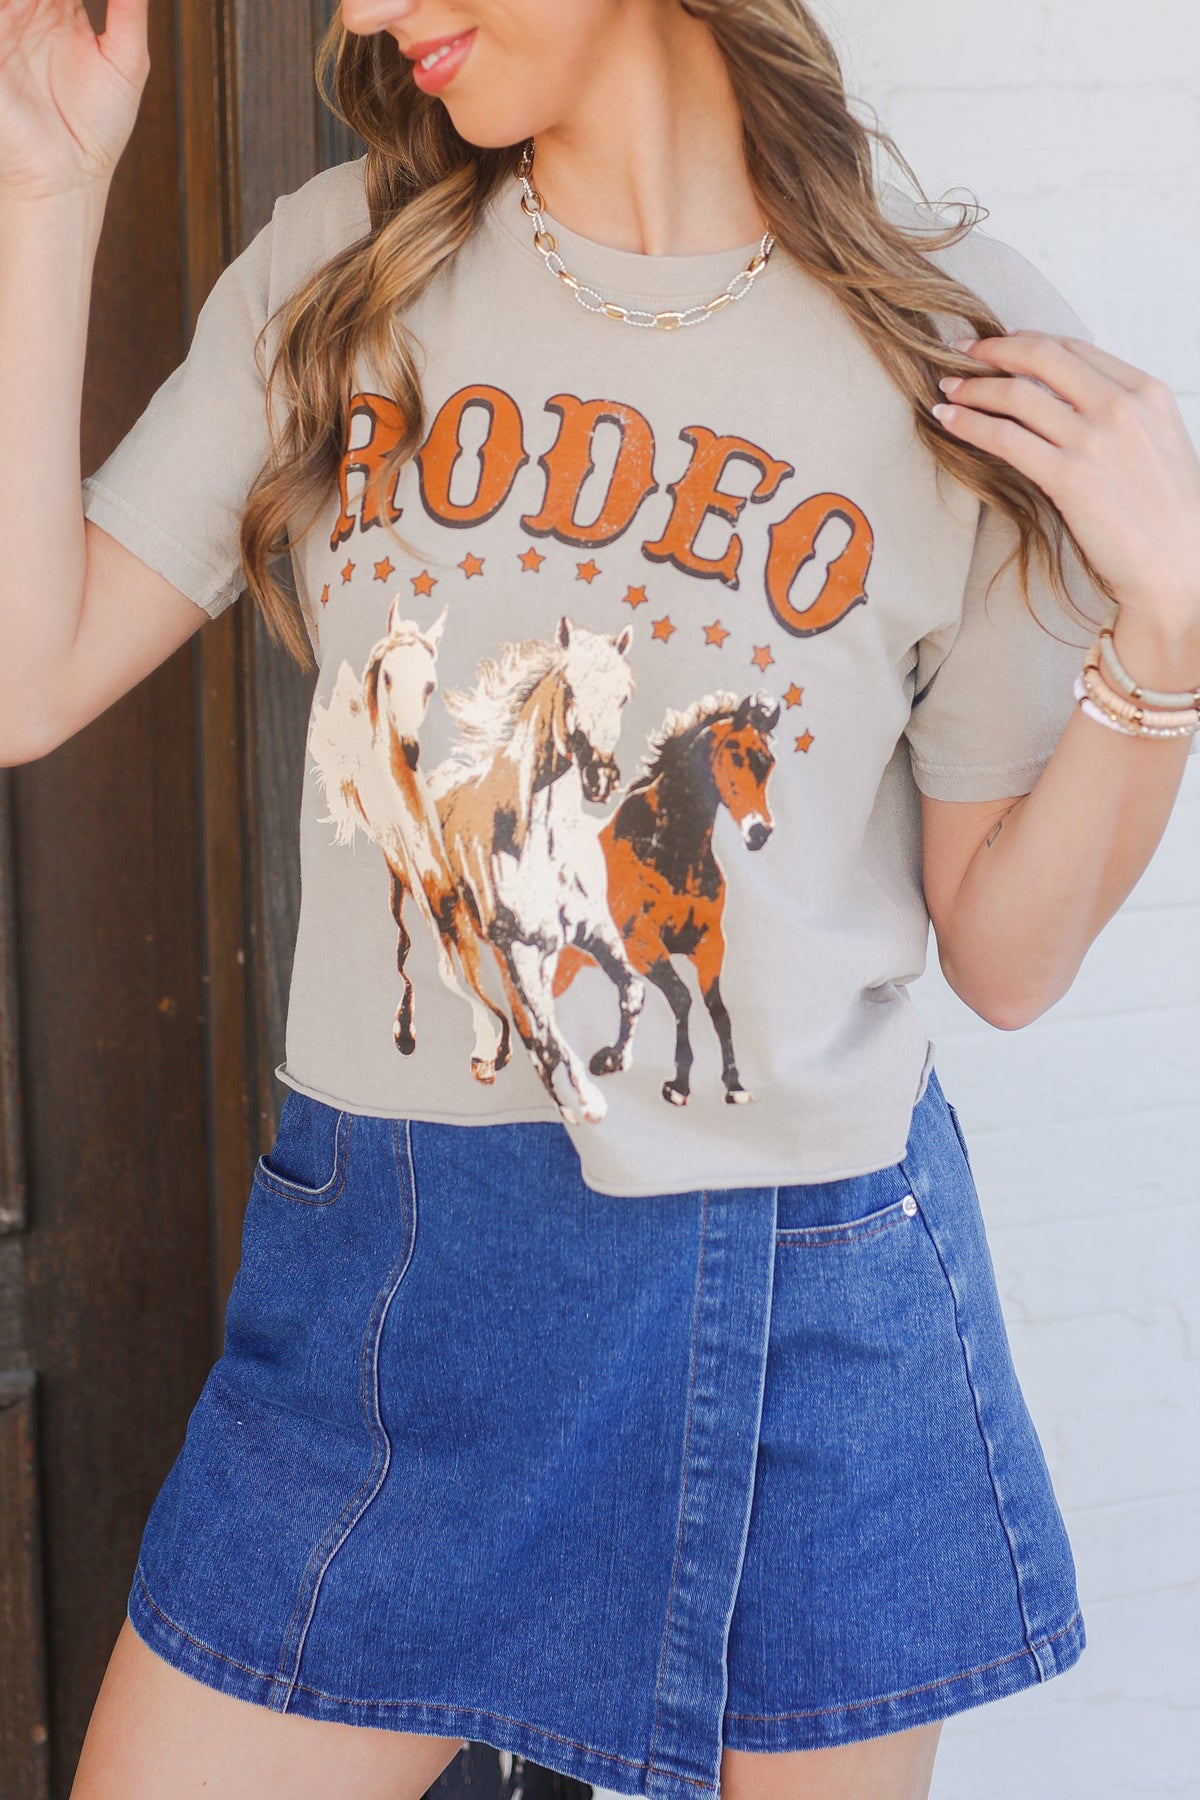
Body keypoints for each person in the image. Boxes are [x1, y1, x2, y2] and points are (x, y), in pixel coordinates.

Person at [3, 1, 1198, 1796]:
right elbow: (25, 681)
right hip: (398, 1286)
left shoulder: (960, 346)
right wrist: (46, 183)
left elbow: (1010, 956)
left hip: (810, 1303)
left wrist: (1170, 629)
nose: (358, 14)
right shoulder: (345, 276)